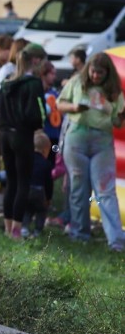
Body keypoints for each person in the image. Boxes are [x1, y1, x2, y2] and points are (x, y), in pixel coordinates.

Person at [57, 52, 125, 251]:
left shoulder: (113, 90)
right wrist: (75, 107)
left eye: (100, 73)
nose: (96, 76)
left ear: (107, 73)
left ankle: (116, 241)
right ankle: (79, 234)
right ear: (89, 70)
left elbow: (117, 122)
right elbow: (60, 104)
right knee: (79, 187)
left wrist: (121, 116)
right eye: (94, 72)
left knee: (105, 190)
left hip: (102, 140)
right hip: (76, 136)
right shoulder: (77, 81)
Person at [0, 43, 48, 239]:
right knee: (23, 182)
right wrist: (38, 125)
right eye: (43, 61)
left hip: (5, 135)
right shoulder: (33, 84)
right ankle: (16, 231)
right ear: (35, 60)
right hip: (22, 135)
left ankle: (8, 228)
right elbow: (39, 113)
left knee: (11, 182)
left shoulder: (6, 82)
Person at [22, 131, 53, 238]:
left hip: (25, 190)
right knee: (41, 210)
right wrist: (48, 198)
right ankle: (38, 230)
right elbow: (49, 183)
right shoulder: (46, 163)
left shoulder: (25, 160)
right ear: (45, 150)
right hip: (39, 191)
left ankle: (24, 228)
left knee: (26, 209)